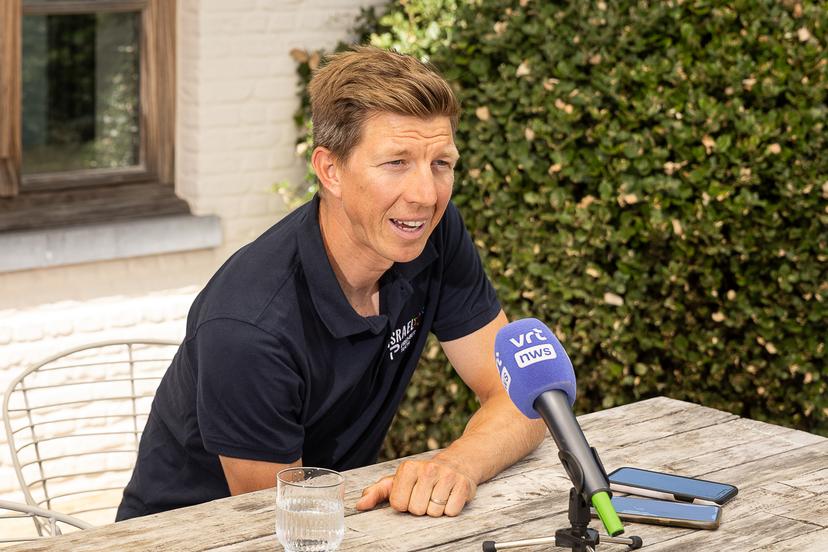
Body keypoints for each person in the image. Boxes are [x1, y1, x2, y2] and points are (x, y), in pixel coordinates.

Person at [116, 46, 545, 522]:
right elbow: (283, 521)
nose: (426, 195)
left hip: (338, 515)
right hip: (198, 534)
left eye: (441, 163)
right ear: (330, 171)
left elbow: (520, 396)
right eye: (396, 163)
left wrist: (455, 464)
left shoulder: (429, 234)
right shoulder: (249, 326)